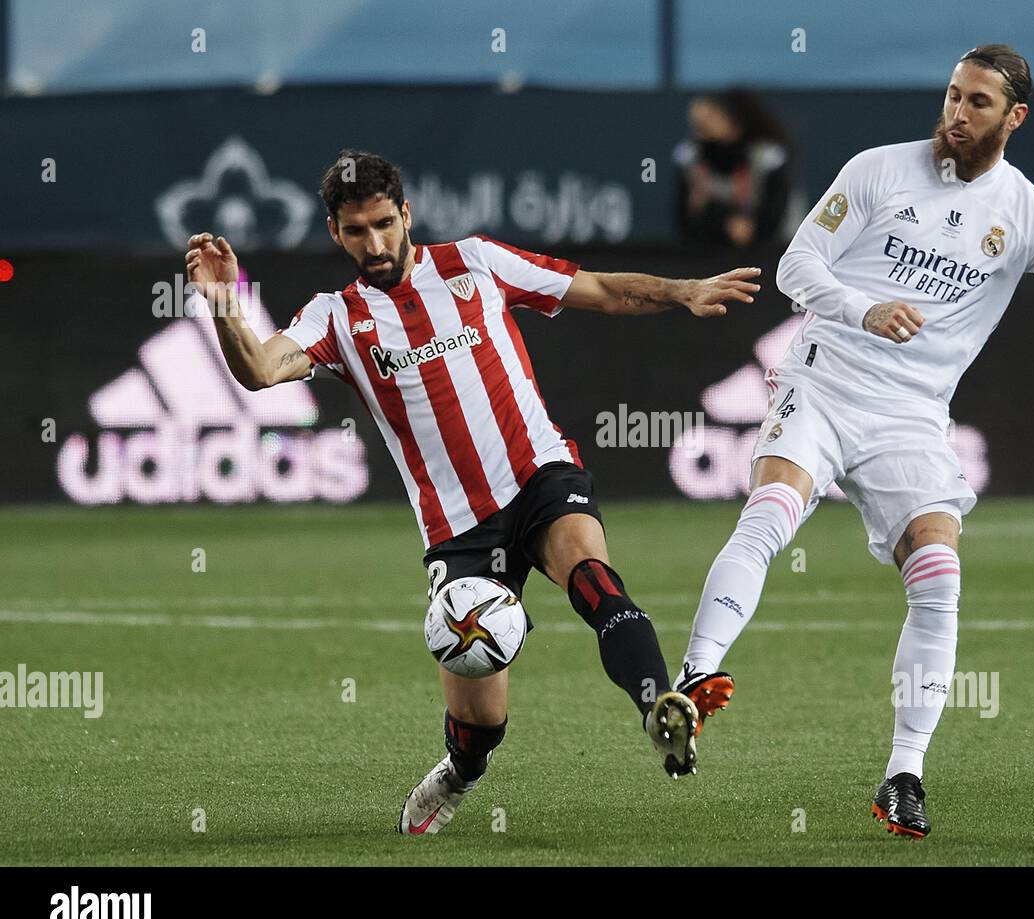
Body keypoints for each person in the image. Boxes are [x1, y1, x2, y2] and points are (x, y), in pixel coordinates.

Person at [671, 45, 1034, 840]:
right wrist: (861, 309)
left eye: (978, 102)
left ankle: (903, 774)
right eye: (952, 94)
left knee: (940, 574)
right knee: (772, 510)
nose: (956, 112)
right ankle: (695, 675)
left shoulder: (1026, 212)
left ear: (1015, 117)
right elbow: (796, 266)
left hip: (913, 413)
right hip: (825, 375)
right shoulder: (879, 170)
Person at [184, 149, 762, 835]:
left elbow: (601, 289)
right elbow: (257, 370)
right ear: (336, 233)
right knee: (482, 718)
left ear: (407, 214)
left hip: (540, 476)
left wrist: (683, 291)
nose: (375, 243)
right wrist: (224, 303)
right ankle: (462, 770)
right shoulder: (334, 317)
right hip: (459, 531)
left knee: (595, 578)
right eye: (357, 231)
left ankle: (659, 707)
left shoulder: (474, 263)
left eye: (384, 224)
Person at [674, 89, 793, 249]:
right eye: (698, 127)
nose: (703, 128)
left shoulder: (767, 159)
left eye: (712, 118)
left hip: (763, 252)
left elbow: (775, 217)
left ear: (735, 123)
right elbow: (683, 221)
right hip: (704, 254)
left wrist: (751, 227)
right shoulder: (689, 158)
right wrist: (722, 223)